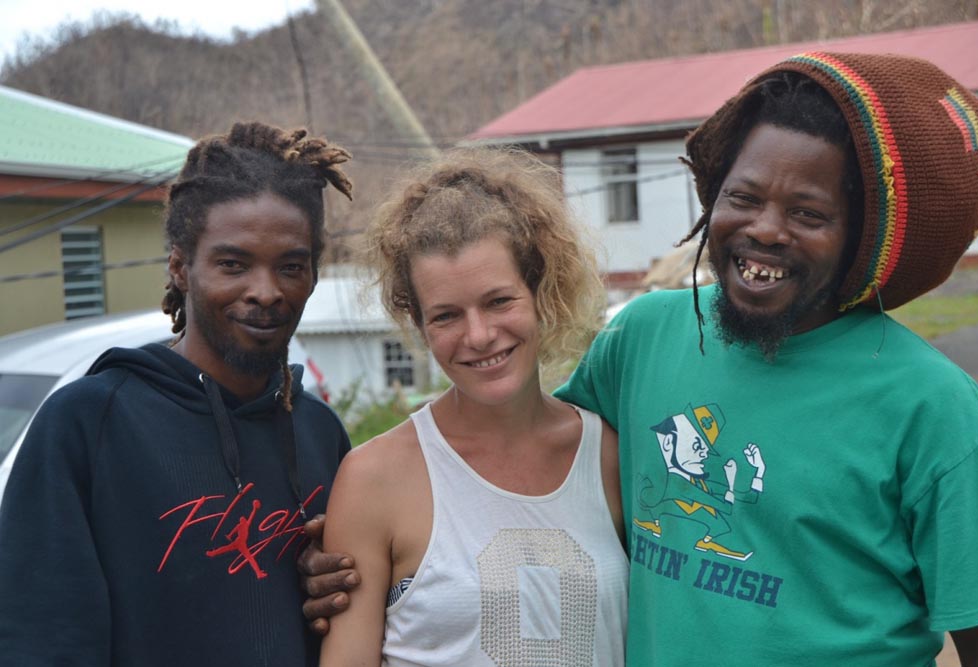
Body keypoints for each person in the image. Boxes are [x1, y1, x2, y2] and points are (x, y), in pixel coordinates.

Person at [555, 52, 978, 664]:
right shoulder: (642, 338)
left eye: (808, 213)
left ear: (861, 236)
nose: (765, 229)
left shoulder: (934, 408)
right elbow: (540, 470)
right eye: (743, 196)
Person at [0, 122, 356, 666]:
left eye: (290, 266)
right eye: (233, 264)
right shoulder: (88, 424)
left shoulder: (320, 434)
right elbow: (42, 642)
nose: (266, 291)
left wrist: (330, 588)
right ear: (180, 268)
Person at [318, 148, 629, 666]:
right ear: (418, 324)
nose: (479, 335)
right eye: (446, 316)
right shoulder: (374, 478)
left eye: (498, 301)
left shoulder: (611, 457)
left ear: (540, 290)